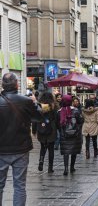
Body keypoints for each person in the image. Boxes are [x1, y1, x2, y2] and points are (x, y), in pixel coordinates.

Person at [0, 73, 43, 205]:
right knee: (19, 185)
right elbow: (39, 117)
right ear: (16, 84)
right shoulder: (26, 101)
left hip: (1, 150)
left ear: (2, 85)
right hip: (21, 148)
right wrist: (36, 103)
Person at [58, 95, 83, 175]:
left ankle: (65, 168)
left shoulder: (59, 111)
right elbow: (80, 121)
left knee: (66, 152)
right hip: (75, 134)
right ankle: (72, 167)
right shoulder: (76, 110)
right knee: (73, 151)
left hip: (64, 134)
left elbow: (57, 123)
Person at [36, 92, 59, 173]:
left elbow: (36, 118)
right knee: (51, 149)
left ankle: (41, 161)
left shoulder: (39, 106)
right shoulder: (54, 106)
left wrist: (35, 130)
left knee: (42, 148)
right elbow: (56, 119)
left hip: (41, 128)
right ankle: (50, 167)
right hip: (51, 130)